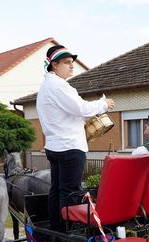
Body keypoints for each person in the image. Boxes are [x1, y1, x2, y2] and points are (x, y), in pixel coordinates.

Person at [36, 45, 115, 231]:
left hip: (55, 146)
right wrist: (104, 104)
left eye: (72, 63)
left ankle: (57, 230)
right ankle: (68, 234)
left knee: (56, 190)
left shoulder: (48, 86)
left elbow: (76, 112)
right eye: (67, 62)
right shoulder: (58, 86)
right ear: (54, 65)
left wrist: (91, 109)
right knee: (70, 192)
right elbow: (81, 109)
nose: (72, 66)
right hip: (70, 147)